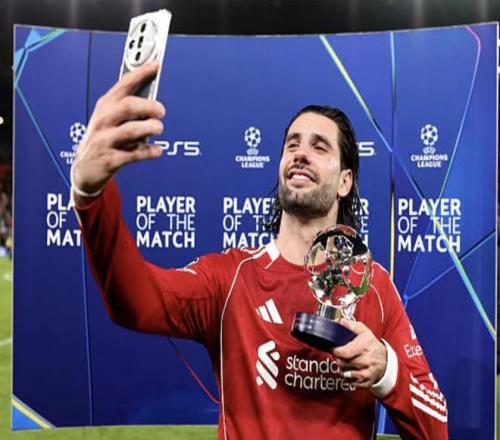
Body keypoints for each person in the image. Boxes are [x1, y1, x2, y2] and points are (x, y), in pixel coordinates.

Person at [72, 62, 448, 439]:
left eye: (319, 147)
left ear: (344, 182)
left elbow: (435, 429)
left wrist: (386, 371)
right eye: (292, 145)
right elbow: (135, 302)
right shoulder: (230, 278)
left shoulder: (374, 288)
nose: (300, 154)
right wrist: (90, 195)